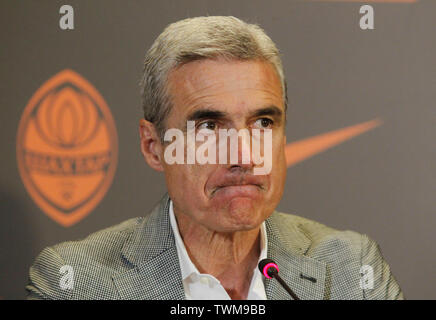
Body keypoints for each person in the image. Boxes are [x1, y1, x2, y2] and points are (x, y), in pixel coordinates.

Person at [26, 16, 403, 300]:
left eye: (264, 121)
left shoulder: (353, 270)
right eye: (208, 125)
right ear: (153, 146)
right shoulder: (73, 282)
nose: (244, 155)